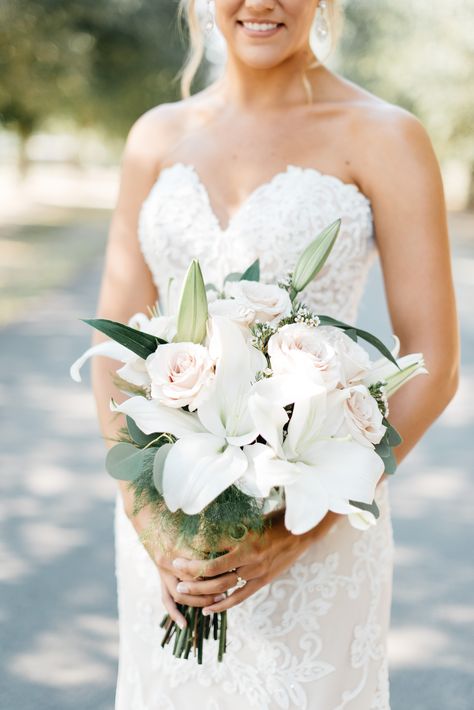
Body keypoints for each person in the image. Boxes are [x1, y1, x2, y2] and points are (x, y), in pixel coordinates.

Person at [90, 1, 459, 707]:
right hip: (169, 526)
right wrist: (151, 524)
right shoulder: (155, 137)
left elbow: (435, 366)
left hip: (318, 517)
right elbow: (112, 342)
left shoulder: (384, 135)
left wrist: (296, 531)